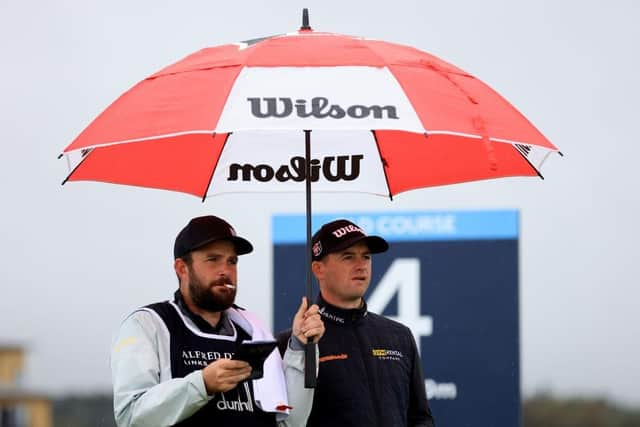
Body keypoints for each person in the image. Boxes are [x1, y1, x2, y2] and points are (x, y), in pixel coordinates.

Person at [111, 215, 325, 427]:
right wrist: (203, 384)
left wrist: (300, 348)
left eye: (232, 261)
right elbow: (131, 416)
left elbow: (290, 422)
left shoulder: (253, 330)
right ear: (182, 268)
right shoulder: (148, 324)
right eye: (213, 259)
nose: (226, 270)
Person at [277, 219, 435, 427]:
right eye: (348, 257)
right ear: (318, 269)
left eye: (366, 257)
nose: (361, 265)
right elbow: (283, 422)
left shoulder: (399, 336)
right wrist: (301, 346)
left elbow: (420, 418)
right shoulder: (291, 344)